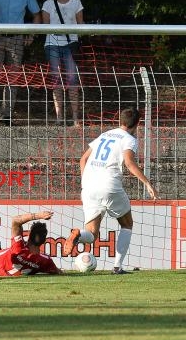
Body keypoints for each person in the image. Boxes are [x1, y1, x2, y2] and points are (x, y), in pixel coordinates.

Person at [63, 107, 158, 273]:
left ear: (120, 121)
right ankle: (117, 267)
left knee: (91, 234)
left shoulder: (105, 134)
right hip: (109, 185)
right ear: (138, 123)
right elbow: (129, 163)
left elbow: (83, 159)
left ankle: (77, 235)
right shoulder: (129, 139)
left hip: (89, 186)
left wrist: (86, 181)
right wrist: (147, 183)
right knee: (127, 224)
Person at [0, 188, 62, 276]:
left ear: (28, 236)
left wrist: (38, 215)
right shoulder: (45, 261)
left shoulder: (18, 248)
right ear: (43, 241)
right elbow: (58, 272)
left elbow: (16, 221)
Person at [0, 0, 41, 126]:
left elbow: (37, 14)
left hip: (16, 38)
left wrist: (32, 34)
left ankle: (7, 115)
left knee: (13, 78)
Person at [42, 0, 84, 126]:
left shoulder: (76, 2)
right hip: (52, 44)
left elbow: (81, 25)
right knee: (56, 80)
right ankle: (59, 117)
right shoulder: (47, 4)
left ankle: (75, 117)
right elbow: (44, 27)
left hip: (71, 44)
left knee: (72, 79)